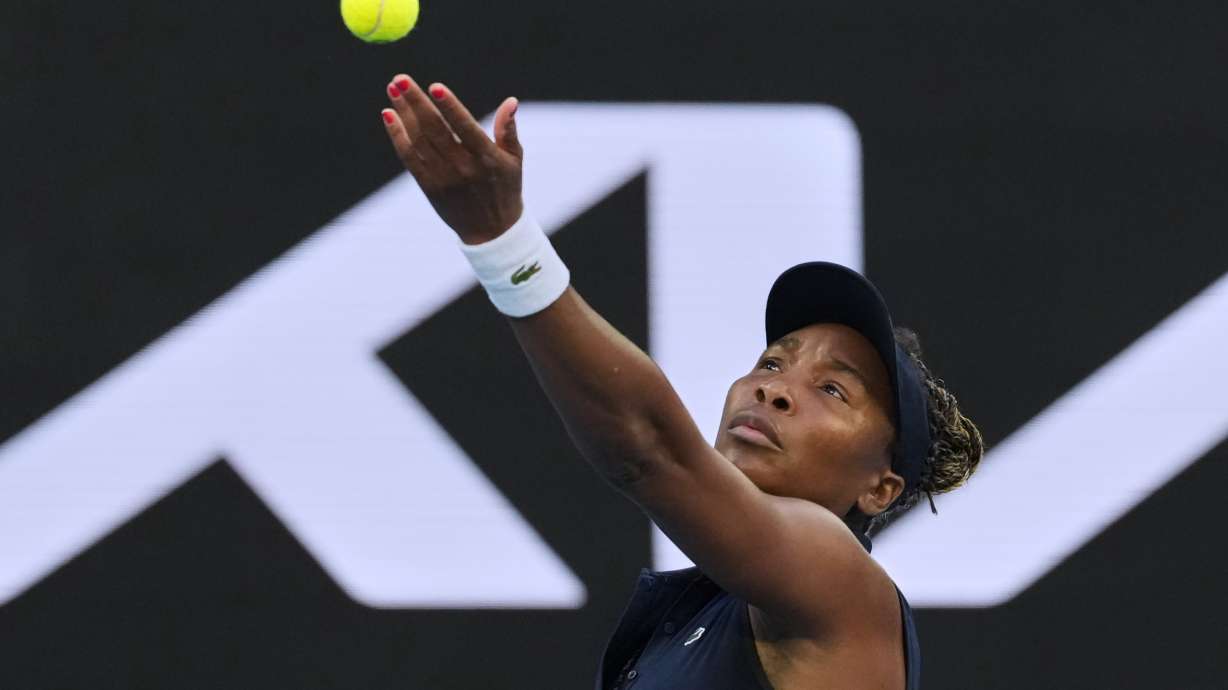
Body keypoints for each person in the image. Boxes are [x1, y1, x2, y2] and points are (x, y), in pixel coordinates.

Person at [377, 73, 983, 690]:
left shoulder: (843, 585)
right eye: (772, 362)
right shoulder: (697, 616)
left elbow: (651, 451)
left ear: (880, 489)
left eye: (833, 390)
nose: (772, 389)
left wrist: (505, 245)